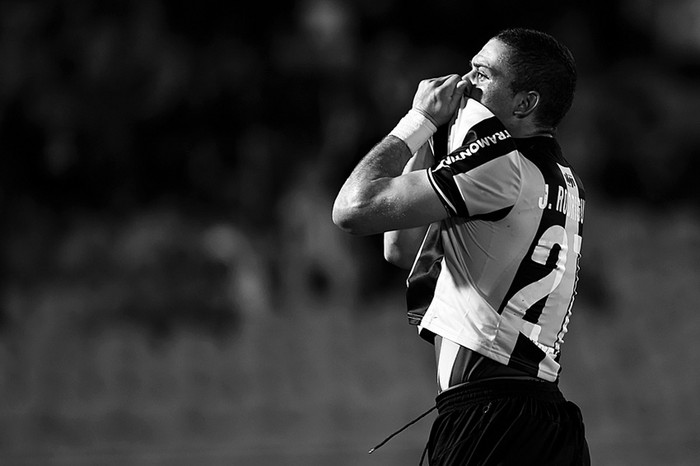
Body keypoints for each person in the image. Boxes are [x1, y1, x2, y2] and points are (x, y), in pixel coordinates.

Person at [332, 28, 590, 465]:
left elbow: (353, 210)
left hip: (493, 420)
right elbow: (400, 249)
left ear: (525, 103)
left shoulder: (500, 167)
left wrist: (417, 122)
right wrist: (437, 139)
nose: (464, 83)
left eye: (482, 74)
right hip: (540, 417)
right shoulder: (561, 178)